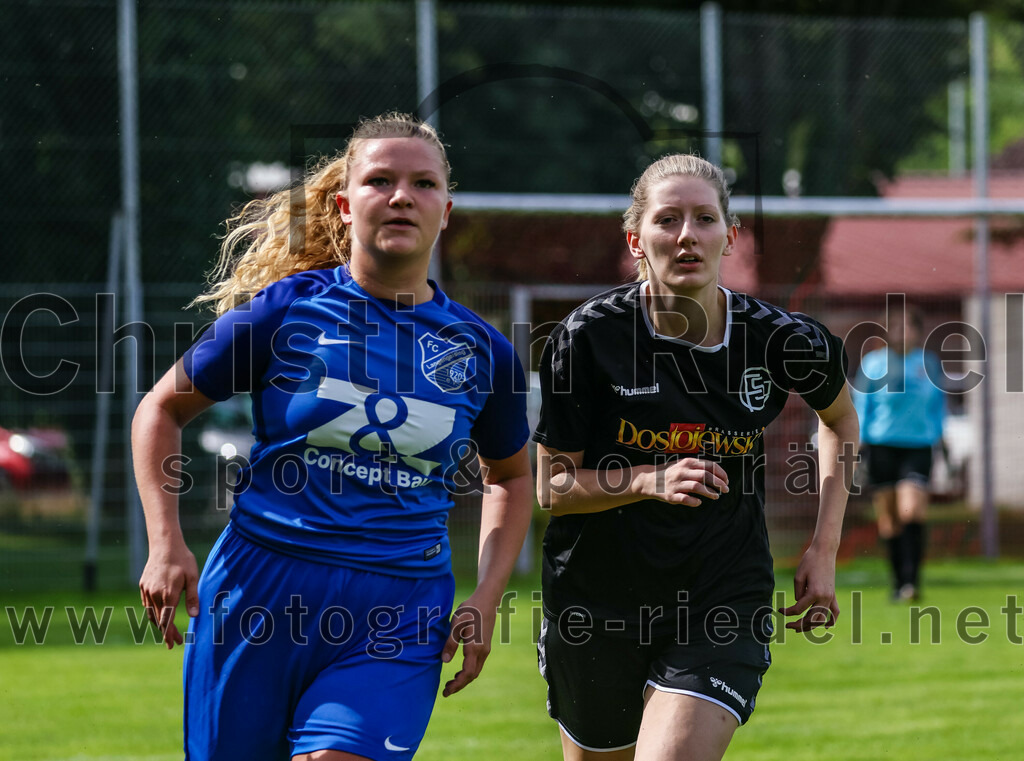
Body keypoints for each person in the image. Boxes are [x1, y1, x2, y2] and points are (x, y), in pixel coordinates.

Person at [132, 112, 533, 761]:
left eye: (423, 183)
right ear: (346, 205)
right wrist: (164, 541)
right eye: (381, 180)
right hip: (257, 592)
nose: (402, 195)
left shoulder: (483, 350)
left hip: (400, 607)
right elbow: (160, 409)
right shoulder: (286, 310)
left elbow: (511, 476)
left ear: (447, 209)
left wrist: (487, 594)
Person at [533, 154, 859, 761]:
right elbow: (552, 488)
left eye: (705, 219)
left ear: (730, 236)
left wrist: (825, 546)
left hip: (722, 593)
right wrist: (646, 479)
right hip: (597, 600)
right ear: (636, 238)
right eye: (667, 220)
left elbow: (839, 419)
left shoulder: (782, 340)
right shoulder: (588, 339)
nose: (687, 235)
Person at [853, 306, 945, 602]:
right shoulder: (874, 364)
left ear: (918, 331)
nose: (903, 332)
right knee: (890, 520)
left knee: (912, 510)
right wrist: (857, 445)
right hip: (881, 446)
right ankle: (898, 583)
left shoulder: (928, 363)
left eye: (909, 327)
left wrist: (941, 437)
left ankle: (912, 582)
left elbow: (938, 405)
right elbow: (861, 404)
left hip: (918, 446)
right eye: (897, 327)